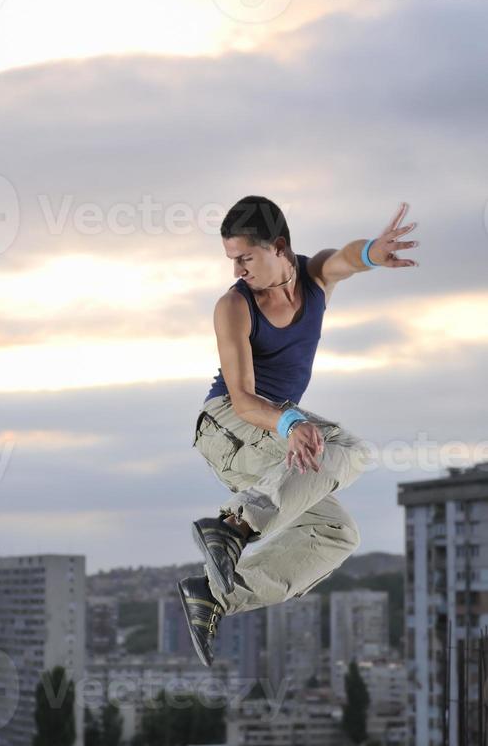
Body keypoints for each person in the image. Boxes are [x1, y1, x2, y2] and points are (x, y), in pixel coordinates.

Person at [178, 196, 419, 667]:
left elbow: (346, 258)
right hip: (230, 424)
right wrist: (291, 422)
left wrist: (373, 251)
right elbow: (244, 398)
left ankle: (213, 596)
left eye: (246, 258)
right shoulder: (234, 306)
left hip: (271, 434)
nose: (237, 271)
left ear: (280, 247)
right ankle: (235, 526)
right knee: (347, 450)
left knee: (337, 533)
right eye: (232, 260)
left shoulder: (315, 278)